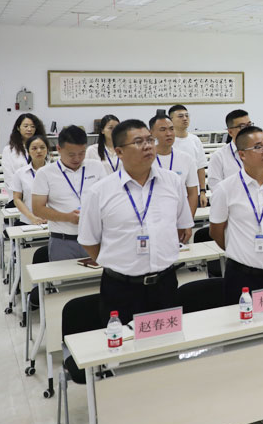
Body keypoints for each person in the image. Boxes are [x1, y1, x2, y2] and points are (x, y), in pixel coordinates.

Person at [78, 119, 193, 324]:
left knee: (168, 341)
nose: (148, 146)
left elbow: (180, 228)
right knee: (122, 343)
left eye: (150, 140)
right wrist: (120, 264)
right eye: (139, 142)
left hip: (164, 284)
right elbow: (89, 241)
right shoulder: (99, 191)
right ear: (119, 151)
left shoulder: (172, 182)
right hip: (121, 289)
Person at [210, 126, 263, 302]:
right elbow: (216, 231)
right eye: (257, 147)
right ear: (242, 155)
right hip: (242, 274)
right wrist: (237, 249)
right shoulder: (225, 189)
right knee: (241, 317)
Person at [33, 125, 107, 261]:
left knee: (98, 275)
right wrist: (67, 217)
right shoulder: (45, 173)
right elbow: (37, 209)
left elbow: (107, 198)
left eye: (82, 153)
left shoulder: (96, 167)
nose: (77, 158)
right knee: (61, 275)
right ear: (59, 149)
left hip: (95, 239)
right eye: (71, 154)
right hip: (63, 241)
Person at [150, 114, 199, 217]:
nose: (169, 133)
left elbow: (192, 193)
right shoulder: (145, 159)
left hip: (179, 214)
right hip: (152, 215)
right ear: (152, 133)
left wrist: (188, 220)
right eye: (163, 130)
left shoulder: (186, 159)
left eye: (171, 129)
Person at [9, 134, 52, 225]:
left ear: (47, 149)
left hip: (53, 221)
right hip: (29, 221)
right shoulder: (20, 173)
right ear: (28, 151)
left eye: (42, 147)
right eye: (34, 148)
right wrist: (32, 217)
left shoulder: (55, 172)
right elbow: (17, 199)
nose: (39, 151)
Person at [170, 105, 208, 208]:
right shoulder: (168, 141)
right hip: (172, 192)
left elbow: (200, 168)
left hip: (193, 192)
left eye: (187, 116)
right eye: (180, 116)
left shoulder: (195, 140)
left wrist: (203, 191)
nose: (185, 118)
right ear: (171, 120)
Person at [208, 109, 254, 185]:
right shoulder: (219, 156)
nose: (248, 129)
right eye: (242, 126)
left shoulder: (260, 151)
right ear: (230, 132)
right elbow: (215, 186)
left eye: (249, 125)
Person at [2, 113, 46, 187]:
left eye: (32, 126)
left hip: (41, 188)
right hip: (18, 190)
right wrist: (19, 190)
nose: (29, 129)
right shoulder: (9, 150)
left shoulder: (42, 148)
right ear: (18, 128)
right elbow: (8, 176)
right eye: (25, 126)